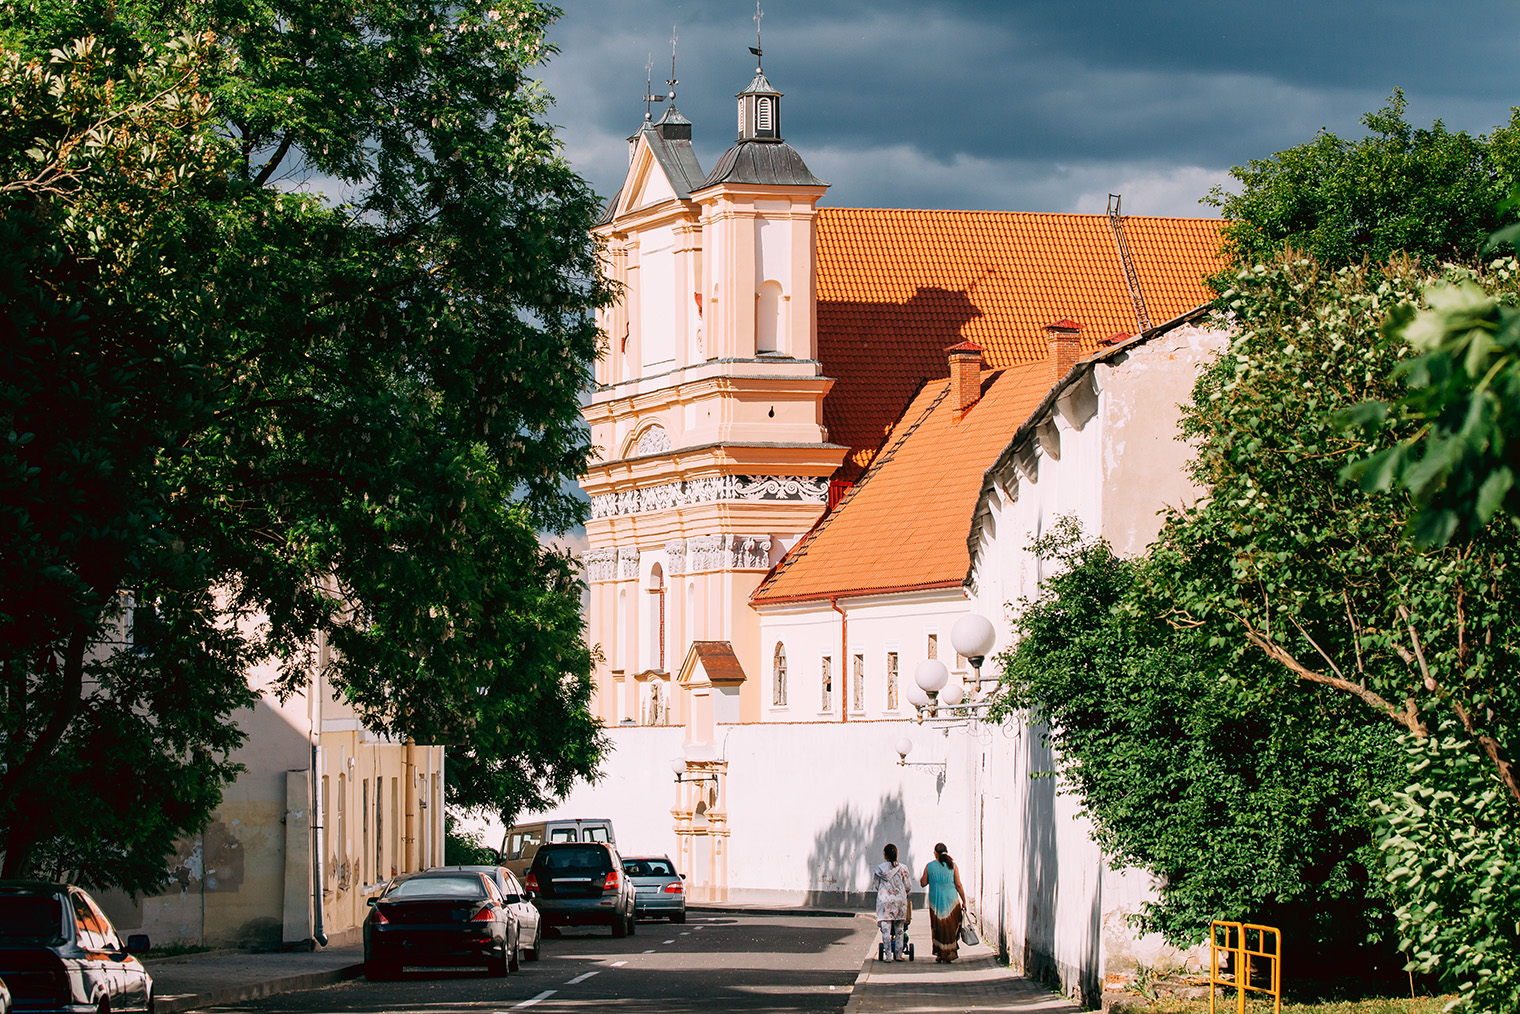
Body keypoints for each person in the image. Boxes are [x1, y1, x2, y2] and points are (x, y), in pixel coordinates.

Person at [920, 842, 966, 962]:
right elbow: (958, 885)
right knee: (950, 929)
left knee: (938, 928)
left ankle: (941, 953)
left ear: (935, 853)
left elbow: (923, 883)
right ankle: (949, 953)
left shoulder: (929, 866)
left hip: (936, 903)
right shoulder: (953, 866)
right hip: (952, 902)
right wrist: (964, 900)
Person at [872, 843, 913, 961]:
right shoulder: (903, 868)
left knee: (886, 929)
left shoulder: (879, 869)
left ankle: (888, 956)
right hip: (899, 902)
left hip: (884, 902)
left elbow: (876, 885)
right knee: (899, 929)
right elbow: (908, 886)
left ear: (885, 855)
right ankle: (899, 955)